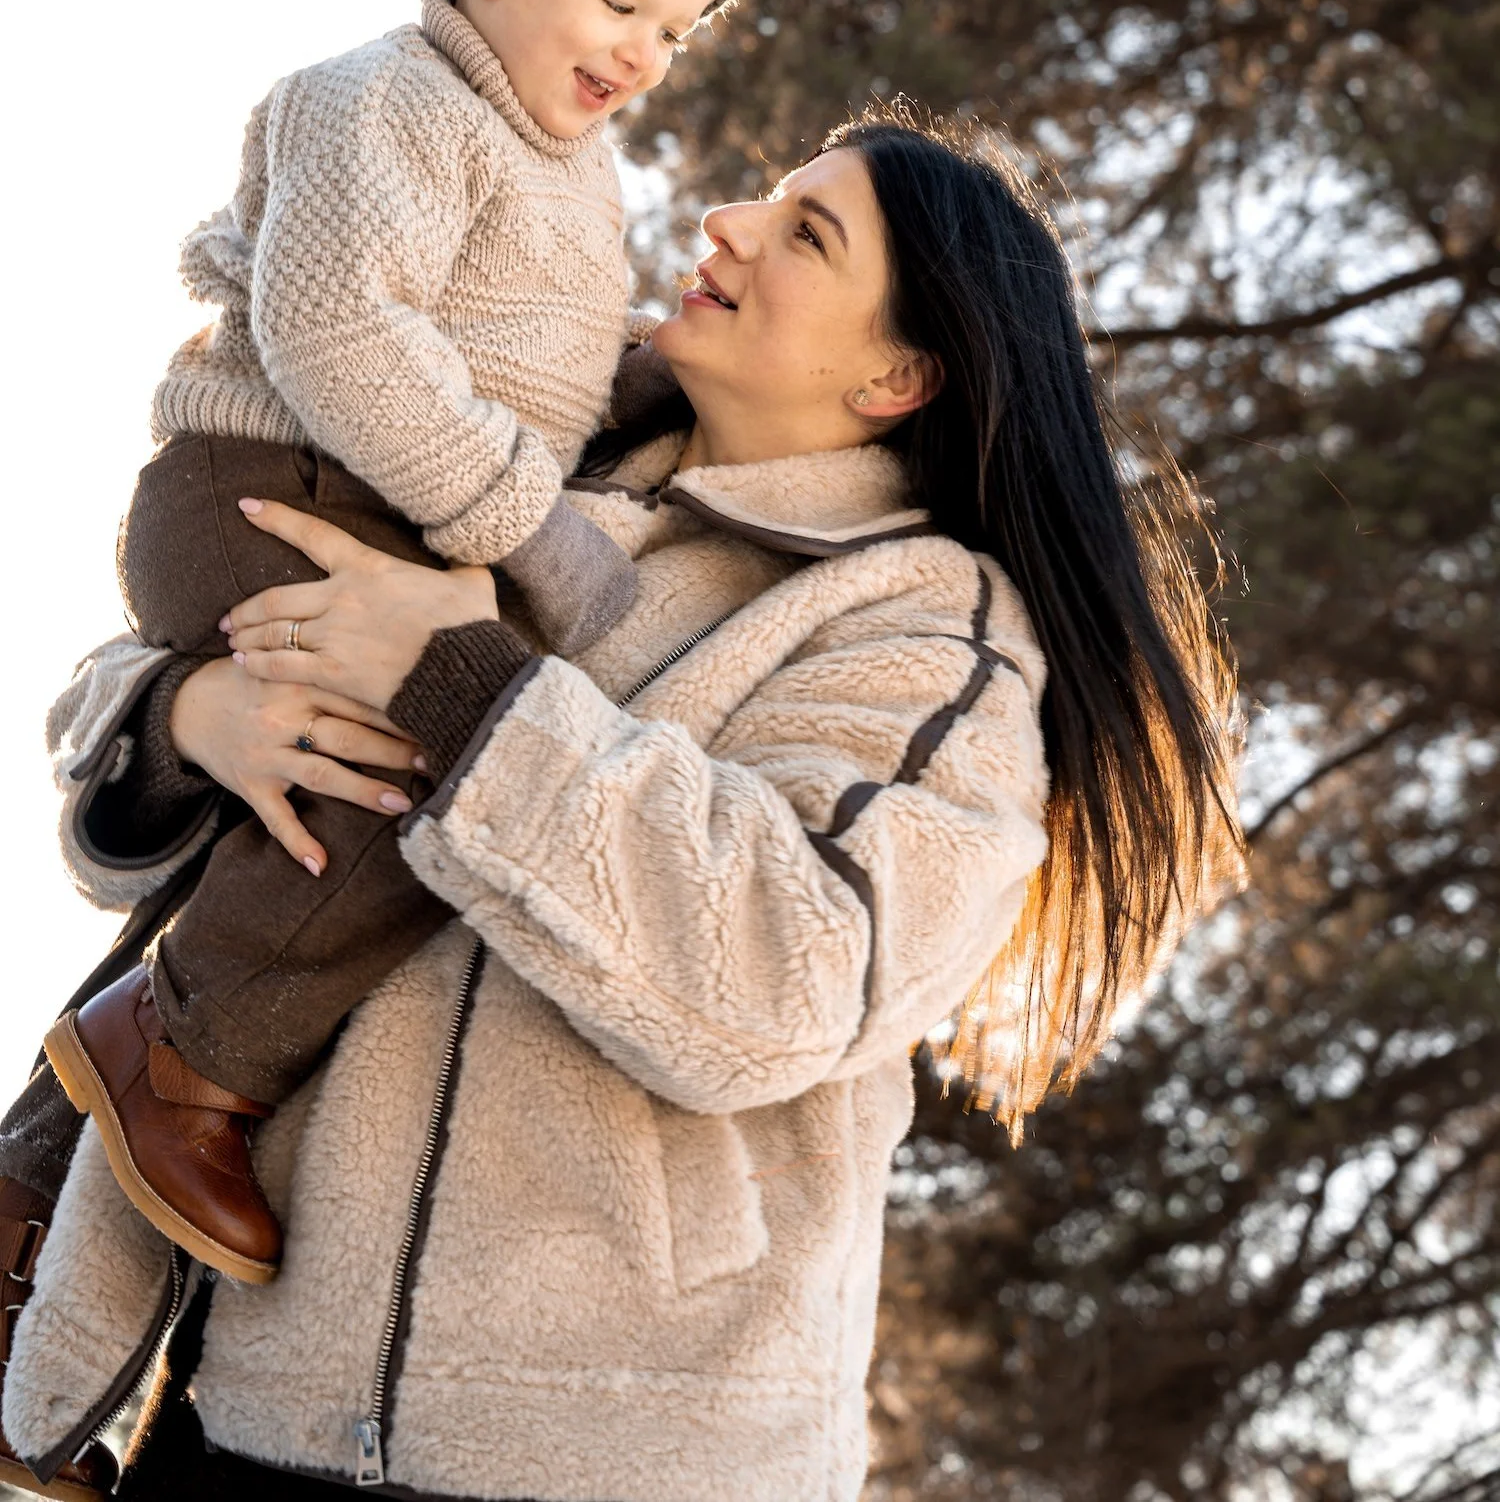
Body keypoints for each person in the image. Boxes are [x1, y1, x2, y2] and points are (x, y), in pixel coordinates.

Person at [5, 119, 1243, 1502]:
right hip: (248, 1408)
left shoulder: (928, 630)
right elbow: (158, 700)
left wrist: (463, 687)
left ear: (898, 375)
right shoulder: (507, 468)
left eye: (806, 233)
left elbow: (790, 966)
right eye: (763, 198)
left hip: (611, 1459)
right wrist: (184, 719)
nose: (725, 221)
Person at [0, 0, 746, 1383]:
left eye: (676, 32)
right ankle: (174, 1055)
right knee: (418, 770)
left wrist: (659, 390)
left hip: (373, 493)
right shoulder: (382, 96)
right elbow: (337, 330)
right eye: (620, 0)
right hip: (256, 483)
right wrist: (519, 522)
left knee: (403, 788)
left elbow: (525, 359)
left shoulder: (566, 170)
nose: (642, 54)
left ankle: (33, 1196)